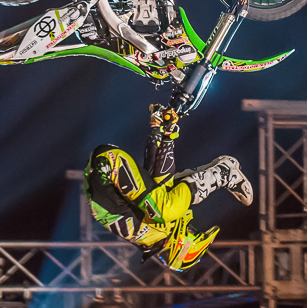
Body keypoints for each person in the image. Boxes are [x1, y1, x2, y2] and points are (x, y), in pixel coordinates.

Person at [83, 105, 253, 272]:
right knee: (163, 200)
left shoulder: (154, 232)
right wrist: (164, 134)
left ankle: (222, 173)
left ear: (181, 246)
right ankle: (164, 128)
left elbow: (158, 187)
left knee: (167, 209)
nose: (190, 226)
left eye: (192, 231)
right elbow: (158, 180)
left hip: (106, 166)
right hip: (104, 167)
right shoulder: (152, 233)